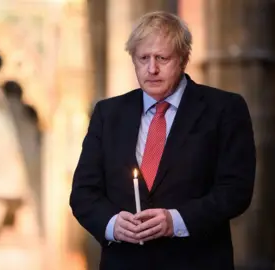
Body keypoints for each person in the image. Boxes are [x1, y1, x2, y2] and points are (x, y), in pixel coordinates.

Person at [69, 11, 256, 269]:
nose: (152, 69)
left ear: (183, 59)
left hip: (196, 261)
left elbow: (235, 191)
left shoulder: (224, 109)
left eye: (162, 58)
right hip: (124, 262)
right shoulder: (108, 113)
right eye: (143, 58)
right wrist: (112, 225)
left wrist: (175, 221)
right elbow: (83, 194)